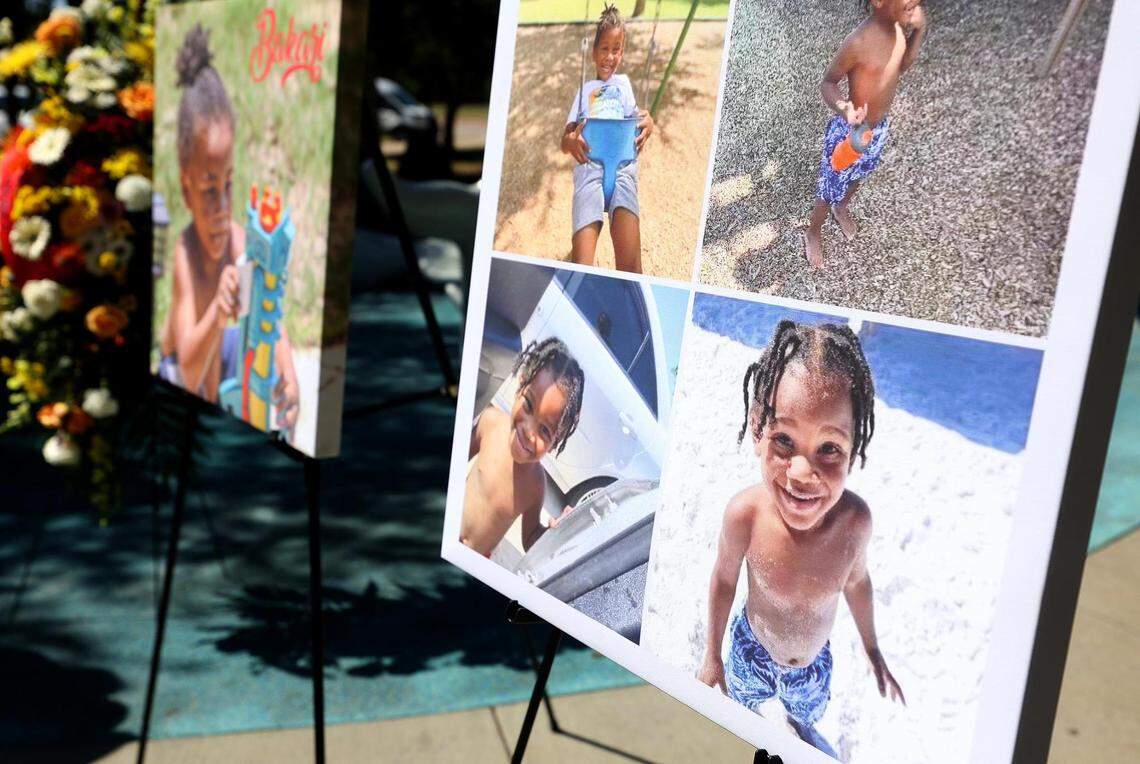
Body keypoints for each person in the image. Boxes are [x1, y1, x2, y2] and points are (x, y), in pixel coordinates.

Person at [697, 321, 904, 757]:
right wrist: (712, 656)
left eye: (829, 448)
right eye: (784, 440)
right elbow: (723, 580)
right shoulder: (745, 516)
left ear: (855, 447)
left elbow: (857, 583)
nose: (801, 475)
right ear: (757, 429)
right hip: (750, 647)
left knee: (805, 716)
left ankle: (795, 723)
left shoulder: (854, 525)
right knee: (742, 709)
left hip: (811, 666)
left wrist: (872, 647)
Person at [158, 24, 298, 428]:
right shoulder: (185, 252)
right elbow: (186, 366)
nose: (222, 206)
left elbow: (273, 315)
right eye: (207, 188)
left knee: (258, 341)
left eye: (228, 183)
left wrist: (287, 372)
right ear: (185, 189)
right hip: (182, 374)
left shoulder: (239, 239)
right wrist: (219, 313)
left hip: (220, 375)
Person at [805, 0, 927, 268]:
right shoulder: (858, 41)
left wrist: (919, 31)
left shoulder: (898, 30)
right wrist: (844, 108)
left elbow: (902, 65)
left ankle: (842, 207)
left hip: (878, 129)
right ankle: (814, 231)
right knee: (830, 187)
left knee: (861, 174)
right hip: (852, 131)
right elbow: (828, 82)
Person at [462, 338, 585, 558]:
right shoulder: (490, 423)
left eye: (545, 431)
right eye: (528, 404)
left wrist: (556, 532)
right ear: (520, 387)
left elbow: (530, 540)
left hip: (474, 558)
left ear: (555, 443)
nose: (529, 431)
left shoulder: (535, 486)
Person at [561, 4, 654, 273]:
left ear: (622, 53)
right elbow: (565, 137)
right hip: (590, 170)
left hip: (623, 171)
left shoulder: (624, 86)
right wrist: (569, 142)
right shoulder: (585, 90)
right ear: (593, 52)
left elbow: (638, 118)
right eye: (604, 48)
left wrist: (650, 123)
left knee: (632, 268)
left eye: (616, 49)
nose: (610, 56)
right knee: (582, 267)